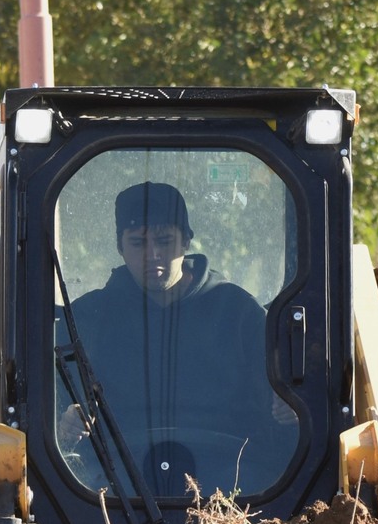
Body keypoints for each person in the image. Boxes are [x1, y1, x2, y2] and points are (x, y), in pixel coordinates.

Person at [60, 181, 280, 494]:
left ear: (186, 240)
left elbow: (279, 405)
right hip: (115, 488)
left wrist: (286, 411)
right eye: (138, 243)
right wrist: (66, 421)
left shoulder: (239, 313)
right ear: (120, 247)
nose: (153, 255)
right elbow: (53, 398)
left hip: (232, 483)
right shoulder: (86, 318)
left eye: (165, 240)